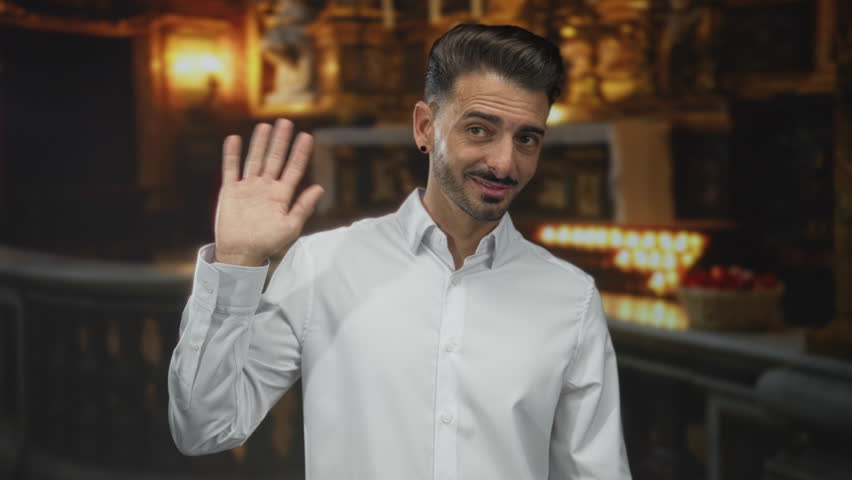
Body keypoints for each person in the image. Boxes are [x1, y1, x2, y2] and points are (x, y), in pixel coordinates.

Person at [168, 24, 632, 479]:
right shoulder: (323, 265)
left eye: (526, 138)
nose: (504, 162)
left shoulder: (571, 297)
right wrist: (235, 262)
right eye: (479, 130)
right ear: (425, 127)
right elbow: (203, 428)